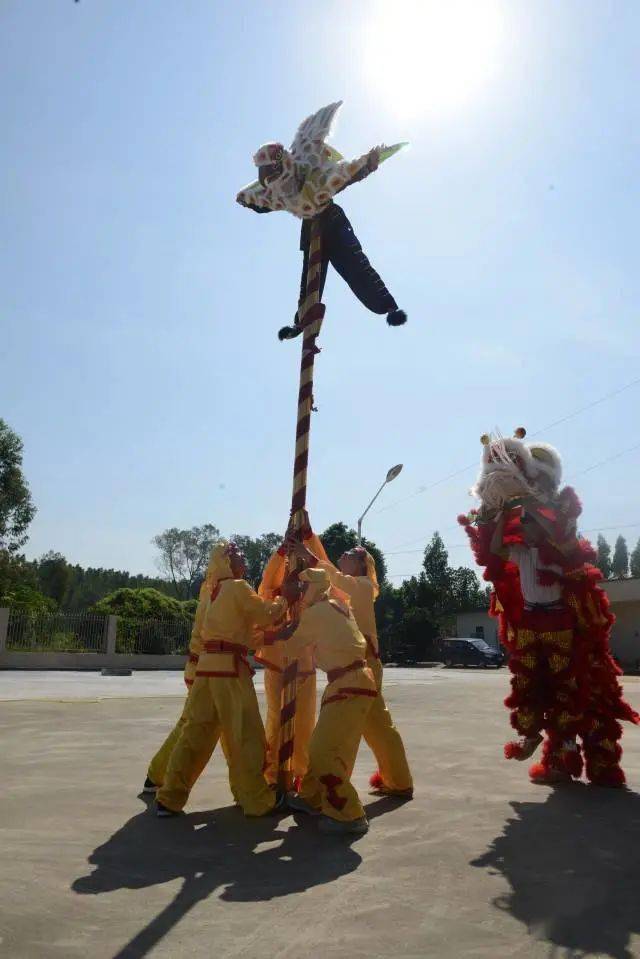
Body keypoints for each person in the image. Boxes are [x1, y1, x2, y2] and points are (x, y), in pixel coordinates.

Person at [155, 543, 287, 817]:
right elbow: (265, 615)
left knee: (195, 734)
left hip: (206, 670)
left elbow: (234, 632)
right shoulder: (238, 587)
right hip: (229, 671)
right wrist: (285, 599)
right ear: (226, 561)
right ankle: (256, 799)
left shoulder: (212, 591)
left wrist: (269, 635)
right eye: (237, 554)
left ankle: (169, 798)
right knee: (245, 735)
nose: (243, 557)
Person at [291, 530, 413, 798]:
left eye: (347, 554)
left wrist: (308, 555)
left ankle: (332, 787)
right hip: (358, 665)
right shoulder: (348, 591)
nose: (341, 557)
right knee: (376, 725)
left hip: (362, 664)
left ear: (360, 564)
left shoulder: (362, 586)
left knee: (354, 728)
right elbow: (329, 581)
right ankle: (398, 781)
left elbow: (333, 577)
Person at [276, 567, 378, 834]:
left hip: (347, 686)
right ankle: (311, 797)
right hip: (355, 683)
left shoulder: (316, 612)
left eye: (302, 587)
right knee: (327, 745)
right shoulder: (338, 605)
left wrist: (271, 633)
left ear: (313, 588)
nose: (299, 592)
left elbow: (291, 647)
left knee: (323, 752)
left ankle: (349, 814)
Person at [256, 537, 317, 788]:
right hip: (277, 667)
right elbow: (267, 581)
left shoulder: (313, 595)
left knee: (304, 723)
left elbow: (330, 580)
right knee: (275, 721)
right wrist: (282, 551)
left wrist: (309, 549)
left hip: (304, 668)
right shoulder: (272, 596)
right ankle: (274, 775)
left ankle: (301, 772)